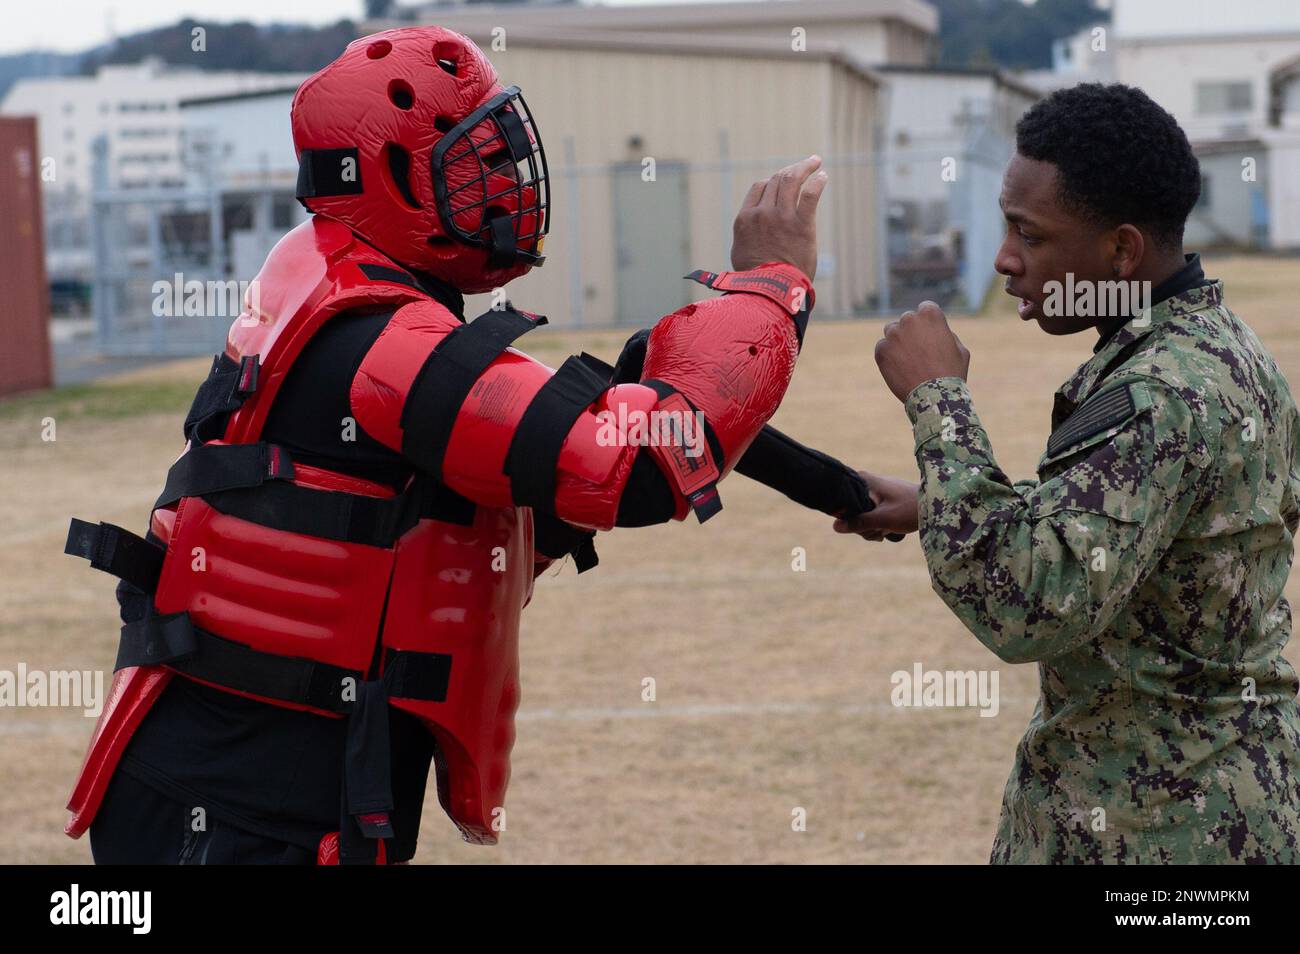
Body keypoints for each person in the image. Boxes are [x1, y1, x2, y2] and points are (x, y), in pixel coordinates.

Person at [63, 25, 870, 864]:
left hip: (235, 790)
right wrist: (770, 285)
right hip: (243, 817)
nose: (504, 183)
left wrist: (838, 486)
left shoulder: (327, 278)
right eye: (471, 160)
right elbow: (641, 467)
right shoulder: (382, 342)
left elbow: (442, 516)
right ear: (394, 176)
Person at [839, 82, 1300, 863]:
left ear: (1121, 250)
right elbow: (1150, 531)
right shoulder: (1219, 344)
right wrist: (938, 505)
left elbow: (1030, 603)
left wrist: (937, 398)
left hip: (1161, 831)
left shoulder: (1157, 391)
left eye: (1031, 235)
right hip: (1213, 802)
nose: (1005, 259)